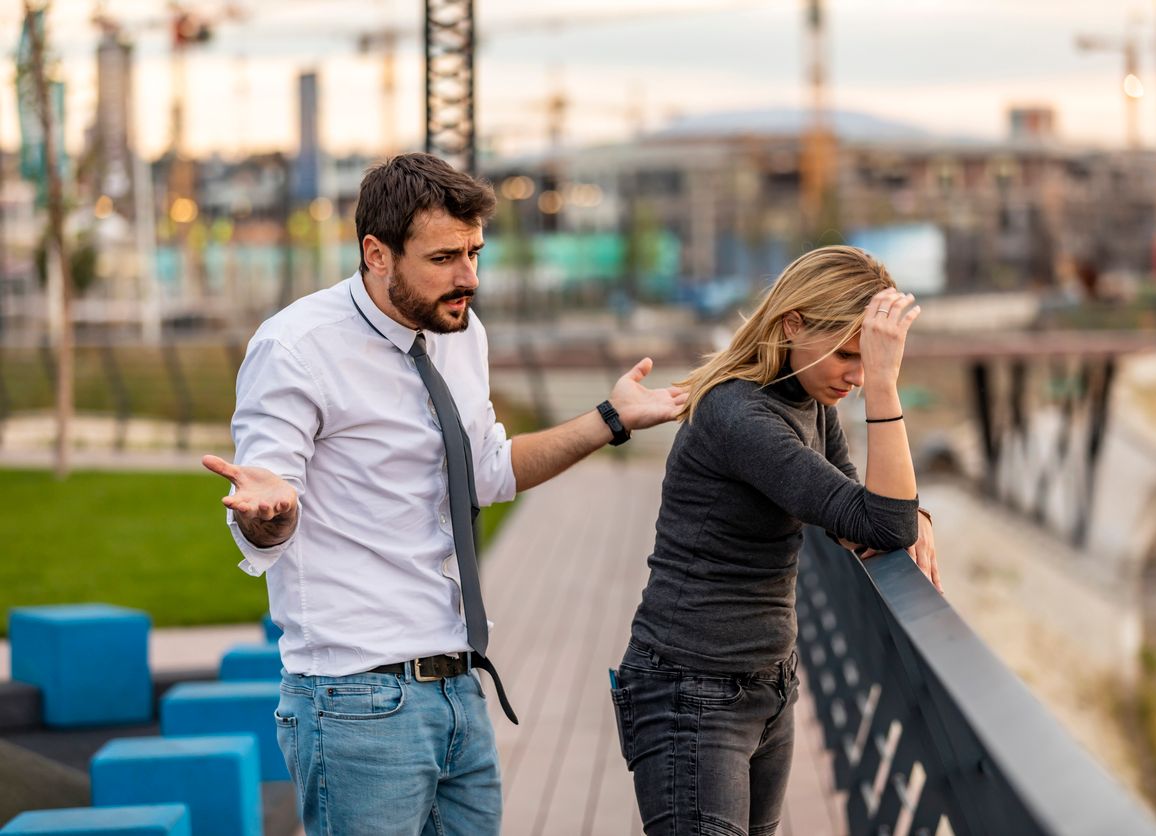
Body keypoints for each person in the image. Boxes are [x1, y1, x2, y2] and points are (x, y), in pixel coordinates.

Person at [202, 152, 684, 836]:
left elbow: (487, 471)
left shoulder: (460, 333)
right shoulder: (294, 349)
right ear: (376, 253)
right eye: (445, 257)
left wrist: (609, 420)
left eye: (475, 252)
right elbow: (265, 502)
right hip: (355, 701)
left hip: (458, 686)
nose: (470, 278)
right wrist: (270, 517)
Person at [611, 245, 941, 836]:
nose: (857, 375)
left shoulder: (811, 401)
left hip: (768, 684)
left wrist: (920, 517)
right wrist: (887, 388)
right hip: (693, 693)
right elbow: (884, 523)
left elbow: (860, 519)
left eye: (868, 361)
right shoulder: (739, 415)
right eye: (847, 354)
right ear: (792, 324)